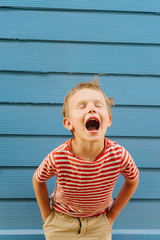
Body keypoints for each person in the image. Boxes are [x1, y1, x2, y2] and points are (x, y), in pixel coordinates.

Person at [33, 76, 139, 240]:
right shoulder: (58, 156)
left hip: (98, 224)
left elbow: (133, 180)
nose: (91, 109)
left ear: (109, 120)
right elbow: (38, 179)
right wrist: (47, 216)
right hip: (61, 223)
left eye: (98, 105)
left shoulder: (119, 156)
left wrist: (112, 216)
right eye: (82, 106)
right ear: (69, 123)